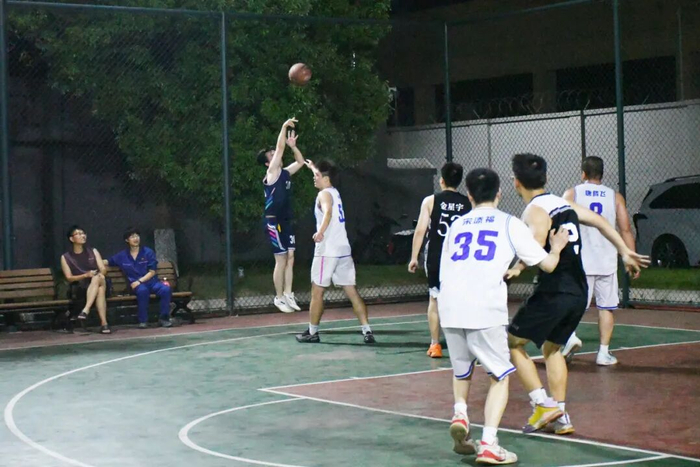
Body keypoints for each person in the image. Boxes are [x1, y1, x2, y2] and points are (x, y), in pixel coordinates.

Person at [505, 153, 649, 436]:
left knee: (512, 342)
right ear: (545, 178)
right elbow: (601, 221)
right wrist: (623, 250)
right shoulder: (563, 203)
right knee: (552, 348)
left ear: (516, 182)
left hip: (554, 290)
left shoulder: (534, 211)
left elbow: (536, 245)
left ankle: (541, 404)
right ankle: (561, 416)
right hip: (578, 291)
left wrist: (517, 268)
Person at [439, 168, 570, 464]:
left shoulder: (456, 226)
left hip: (449, 306)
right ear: (499, 193)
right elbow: (548, 265)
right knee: (500, 376)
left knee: (462, 371)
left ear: (469, 196)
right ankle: (489, 443)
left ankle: (460, 412)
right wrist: (557, 247)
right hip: (484, 307)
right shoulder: (509, 223)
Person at [560, 156, 637, 366]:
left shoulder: (572, 193)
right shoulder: (615, 196)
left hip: (581, 260)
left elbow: (562, 225)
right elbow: (625, 229)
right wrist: (631, 256)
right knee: (606, 307)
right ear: (602, 174)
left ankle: (570, 337)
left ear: (583, 173)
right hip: (607, 261)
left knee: (574, 305)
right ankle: (603, 353)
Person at [295, 160, 375, 344]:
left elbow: (328, 212)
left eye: (316, 176)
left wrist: (320, 232)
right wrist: (313, 167)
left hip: (327, 250)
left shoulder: (323, 194)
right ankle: (367, 330)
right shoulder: (335, 192)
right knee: (352, 292)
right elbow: (325, 178)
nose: (314, 179)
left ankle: (312, 332)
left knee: (317, 292)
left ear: (326, 179)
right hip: (343, 250)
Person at [408, 162, 471, 358]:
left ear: (441, 180)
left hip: (437, 256)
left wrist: (414, 257)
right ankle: (465, 343)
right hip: (460, 258)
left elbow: (420, 230)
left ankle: (435, 344)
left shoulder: (431, 201)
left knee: (434, 300)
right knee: (461, 299)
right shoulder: (468, 202)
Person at [258, 118, 306, 313]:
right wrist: (284, 127)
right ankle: (278, 297)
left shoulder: (285, 173)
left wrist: (293, 147)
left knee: (291, 257)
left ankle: (288, 293)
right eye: (271, 155)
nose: (276, 154)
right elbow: (279, 148)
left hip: (285, 221)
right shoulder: (271, 173)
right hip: (273, 222)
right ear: (268, 162)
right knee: (281, 259)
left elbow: (301, 162)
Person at [107, 227, 172, 328]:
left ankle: (164, 319)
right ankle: (143, 321)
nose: (136, 238)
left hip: (151, 282)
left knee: (165, 289)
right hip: (136, 286)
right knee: (142, 291)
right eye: (132, 237)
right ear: (127, 240)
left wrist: (139, 281)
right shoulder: (122, 255)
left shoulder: (148, 252)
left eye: (137, 236)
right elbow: (108, 261)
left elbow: (152, 272)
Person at [60, 225, 111, 334]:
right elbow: (69, 278)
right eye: (78, 234)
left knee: (99, 278)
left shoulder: (93, 251)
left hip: (97, 280)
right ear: (71, 239)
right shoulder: (66, 257)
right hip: (80, 287)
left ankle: (85, 310)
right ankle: (104, 323)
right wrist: (85, 275)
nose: (82, 236)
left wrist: (96, 275)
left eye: (83, 233)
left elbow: (103, 269)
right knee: (100, 289)